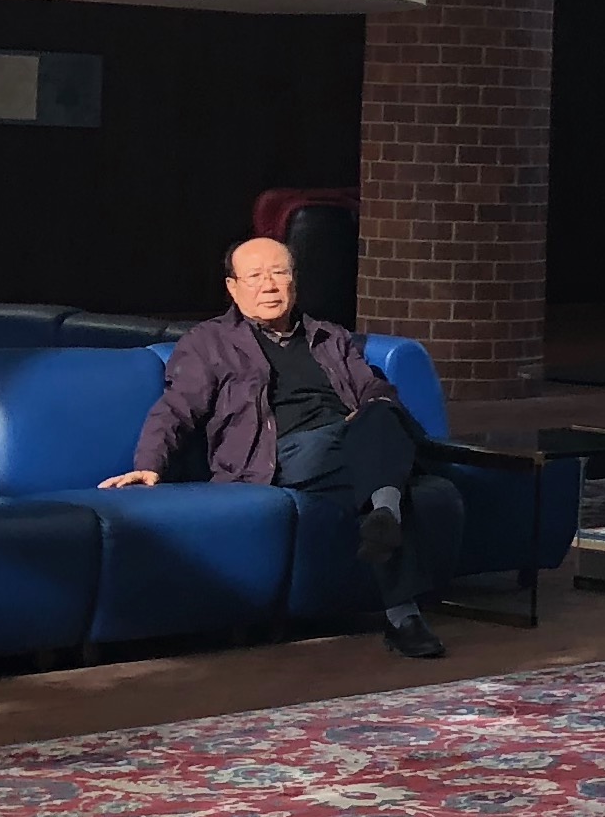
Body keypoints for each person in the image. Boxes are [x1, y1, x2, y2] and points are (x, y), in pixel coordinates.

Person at [107, 234, 456, 660]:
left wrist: (372, 408)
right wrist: (150, 463)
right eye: (255, 276)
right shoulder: (209, 342)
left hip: (347, 445)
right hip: (278, 455)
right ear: (233, 288)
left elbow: (372, 388)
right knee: (388, 453)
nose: (269, 285)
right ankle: (394, 540)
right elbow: (177, 406)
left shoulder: (328, 336)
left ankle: (395, 574)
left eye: (278, 273)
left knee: (379, 418)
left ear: (295, 280)